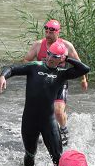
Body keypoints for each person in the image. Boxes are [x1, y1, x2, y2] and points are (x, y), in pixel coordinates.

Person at [0, 41, 90, 166]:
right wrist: (3, 76)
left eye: (55, 57)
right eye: (50, 54)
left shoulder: (62, 74)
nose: (51, 58)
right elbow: (12, 69)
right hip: (29, 121)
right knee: (30, 155)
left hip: (48, 121)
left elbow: (85, 69)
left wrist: (67, 58)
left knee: (58, 157)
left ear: (61, 59)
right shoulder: (34, 67)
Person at [23, 20, 85, 148]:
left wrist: (83, 79)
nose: (48, 35)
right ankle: (42, 130)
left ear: (58, 32)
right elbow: (26, 60)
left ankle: (63, 129)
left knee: (57, 111)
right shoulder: (38, 45)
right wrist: (37, 66)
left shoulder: (67, 46)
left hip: (59, 82)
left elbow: (79, 64)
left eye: (51, 33)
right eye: (46, 32)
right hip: (43, 83)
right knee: (40, 110)